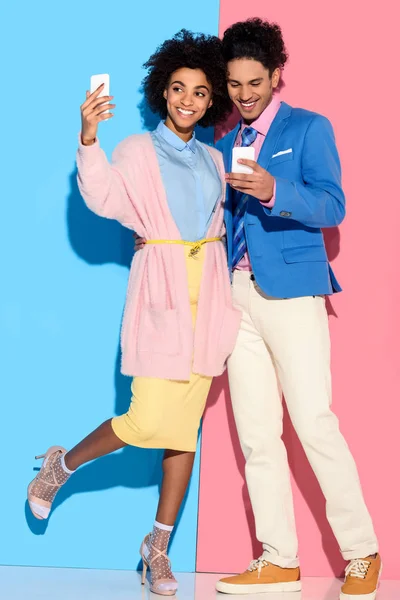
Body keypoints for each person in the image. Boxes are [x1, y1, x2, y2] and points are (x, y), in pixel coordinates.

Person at [27, 30, 240, 597]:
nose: (188, 100)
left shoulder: (217, 160)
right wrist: (89, 137)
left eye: (199, 91)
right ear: (162, 92)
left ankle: (158, 549)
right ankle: (60, 465)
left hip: (210, 294)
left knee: (184, 433)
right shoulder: (138, 151)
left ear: (210, 97)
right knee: (147, 420)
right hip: (164, 290)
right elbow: (102, 199)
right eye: (177, 89)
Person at [213, 19, 381, 600]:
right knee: (257, 435)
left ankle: (362, 552)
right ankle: (279, 558)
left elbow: (333, 204)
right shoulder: (222, 142)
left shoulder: (309, 129)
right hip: (238, 297)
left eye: (254, 81)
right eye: (234, 84)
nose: (244, 94)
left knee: (313, 423)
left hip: (294, 294)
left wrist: (273, 191)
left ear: (277, 74)